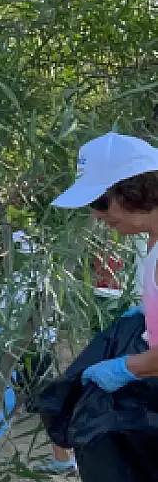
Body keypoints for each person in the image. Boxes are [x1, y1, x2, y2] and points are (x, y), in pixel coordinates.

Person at [53, 133, 158, 392]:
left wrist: (125, 369)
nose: (97, 215)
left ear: (135, 190)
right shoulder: (152, 238)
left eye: (99, 202)